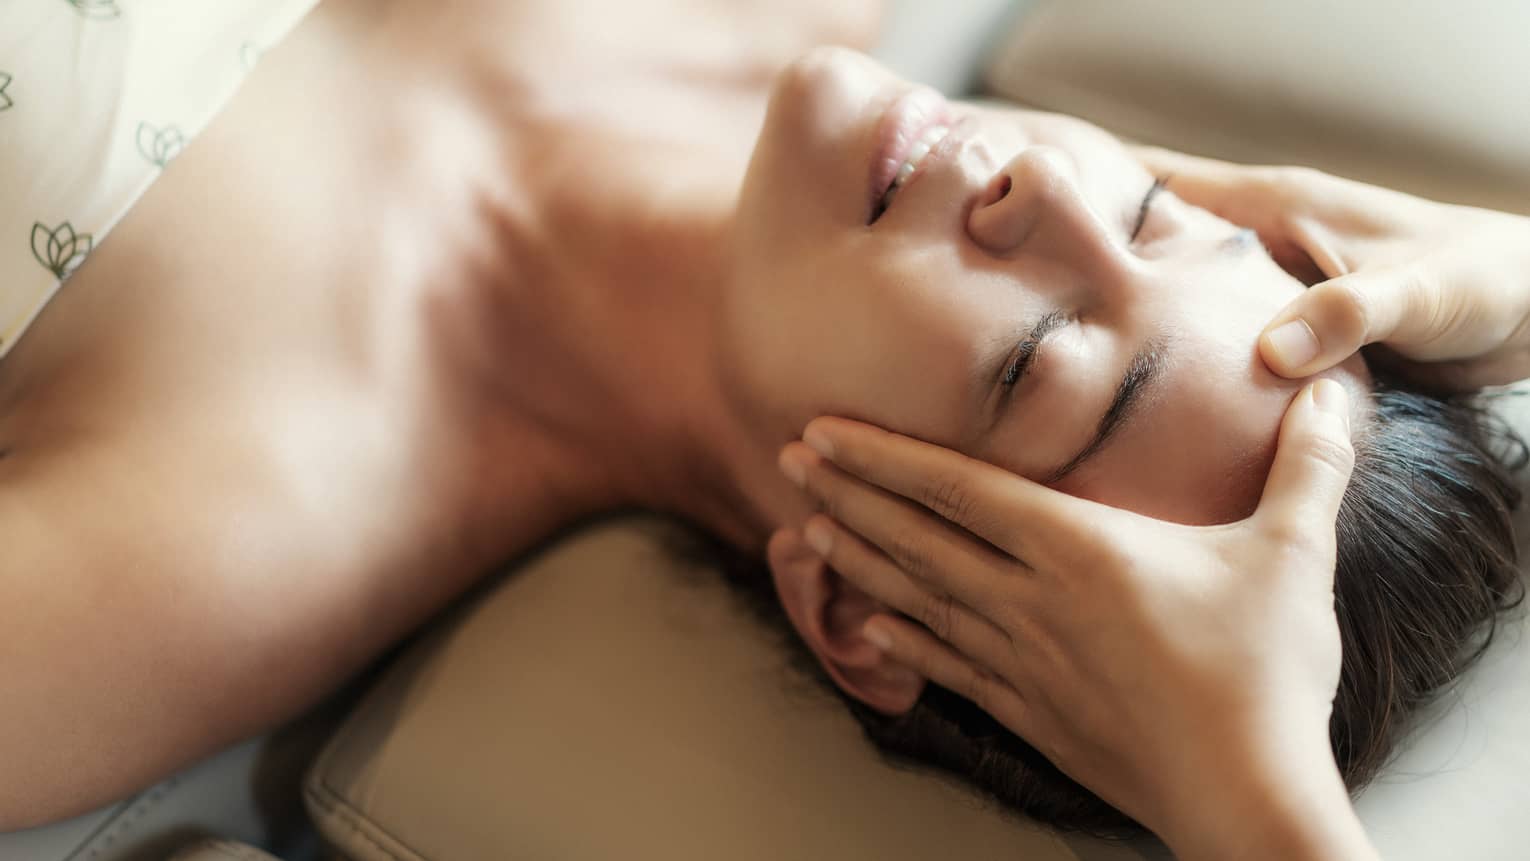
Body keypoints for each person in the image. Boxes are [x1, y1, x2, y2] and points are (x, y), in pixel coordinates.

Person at [0, 2, 1523, 856]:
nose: (1041, 190)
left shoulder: (223, 527)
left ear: (858, 597)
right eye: (1154, 207)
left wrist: (1258, 817)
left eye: (1039, 361)